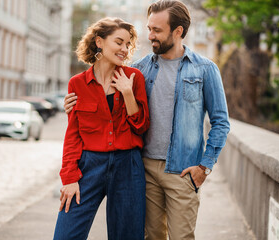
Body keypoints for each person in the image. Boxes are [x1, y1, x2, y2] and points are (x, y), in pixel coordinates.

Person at [64, 1, 230, 239]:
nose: (150, 36)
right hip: (145, 169)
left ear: (178, 31)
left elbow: (221, 122)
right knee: (151, 236)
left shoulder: (204, 69)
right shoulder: (139, 70)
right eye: (149, 28)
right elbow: (111, 111)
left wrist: (205, 166)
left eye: (157, 30)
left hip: (182, 170)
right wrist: (72, 106)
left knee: (182, 236)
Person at [53, 17, 150, 240]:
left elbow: (141, 126)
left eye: (128, 44)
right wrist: (69, 178)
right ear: (99, 41)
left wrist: (127, 93)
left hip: (128, 166)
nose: (124, 49)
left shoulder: (134, 78)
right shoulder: (77, 84)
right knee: (66, 235)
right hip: (88, 166)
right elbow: (73, 135)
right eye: (119, 42)